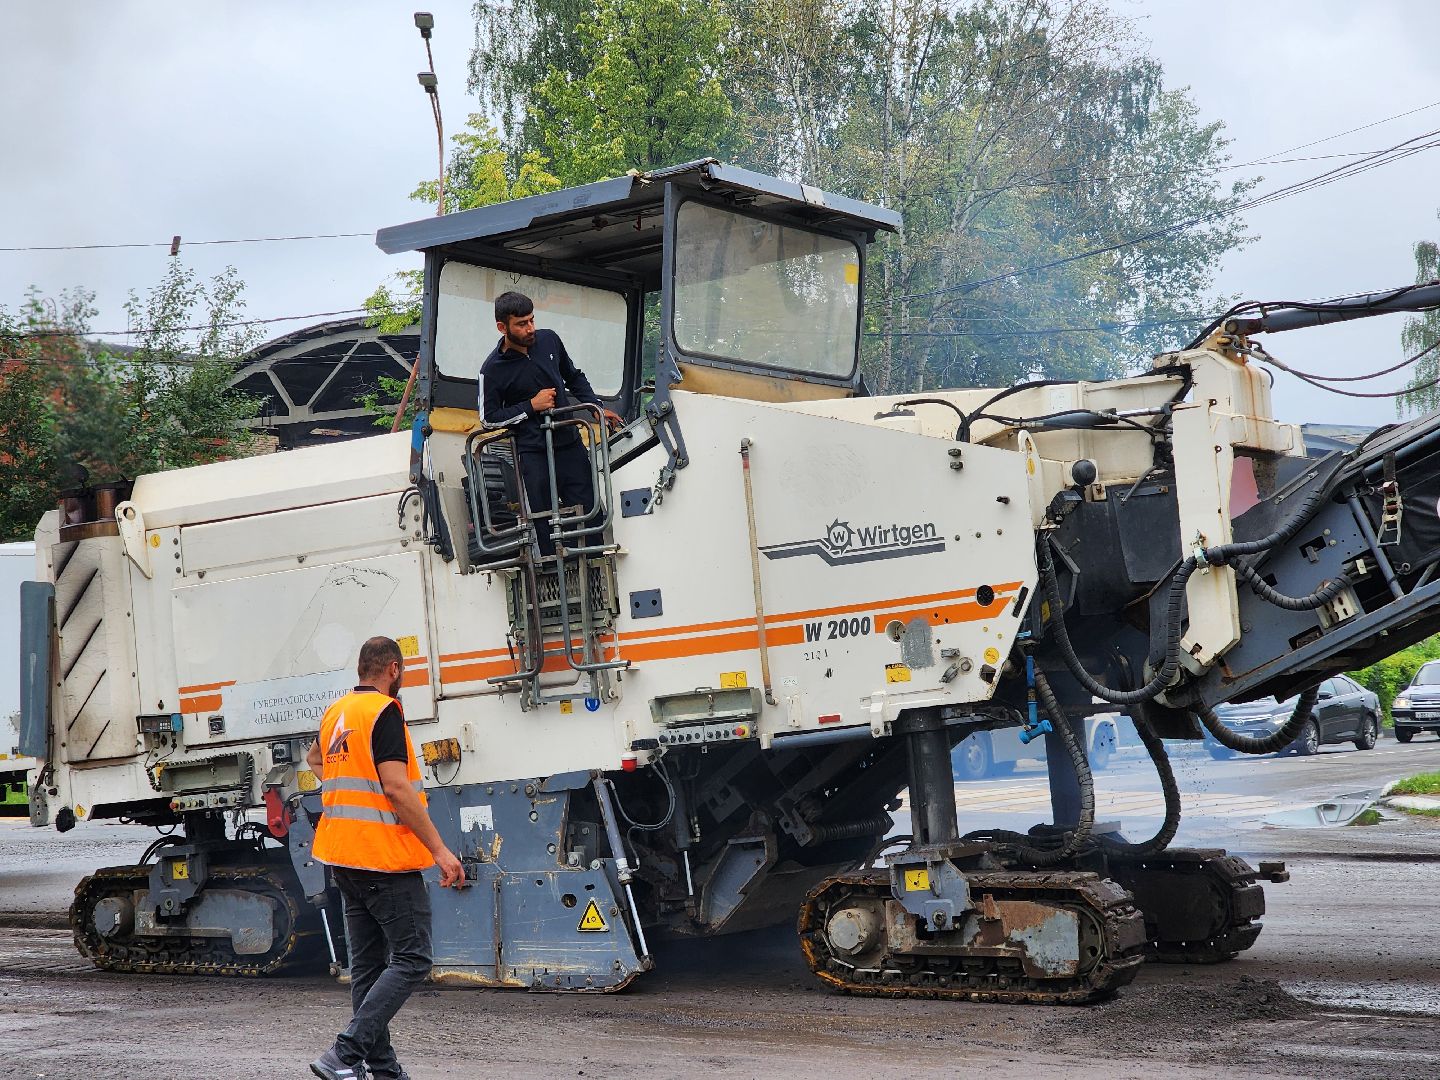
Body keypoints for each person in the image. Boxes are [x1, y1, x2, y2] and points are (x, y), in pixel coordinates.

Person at [306, 636, 465, 1080]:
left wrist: (353, 779)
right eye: (404, 671)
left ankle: (382, 1070)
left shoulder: (337, 712)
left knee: (368, 967)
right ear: (393, 669)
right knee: (414, 958)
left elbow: (316, 759)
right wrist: (440, 850)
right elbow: (396, 788)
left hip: (342, 856)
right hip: (382, 858)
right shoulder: (384, 712)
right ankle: (345, 1052)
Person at [478, 291, 621, 554]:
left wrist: (598, 407)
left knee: (590, 512)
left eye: (532, 320)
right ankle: (553, 575)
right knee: (543, 522)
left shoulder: (549, 340)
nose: (530, 328)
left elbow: (574, 377)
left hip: (569, 443)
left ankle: (597, 573)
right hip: (533, 453)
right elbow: (488, 418)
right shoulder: (492, 370)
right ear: (502, 327)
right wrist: (531, 406)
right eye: (521, 324)